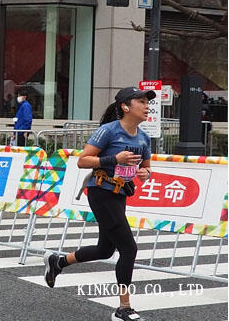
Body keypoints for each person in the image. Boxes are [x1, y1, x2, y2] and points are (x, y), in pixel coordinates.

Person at [43, 86, 154, 321]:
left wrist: (145, 174)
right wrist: (114, 158)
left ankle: (58, 262)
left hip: (120, 193)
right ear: (125, 107)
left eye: (148, 102)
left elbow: (146, 168)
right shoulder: (108, 131)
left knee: (105, 249)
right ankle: (123, 308)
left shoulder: (144, 138)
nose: (147, 106)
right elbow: (83, 161)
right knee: (129, 248)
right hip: (100, 192)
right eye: (141, 102)